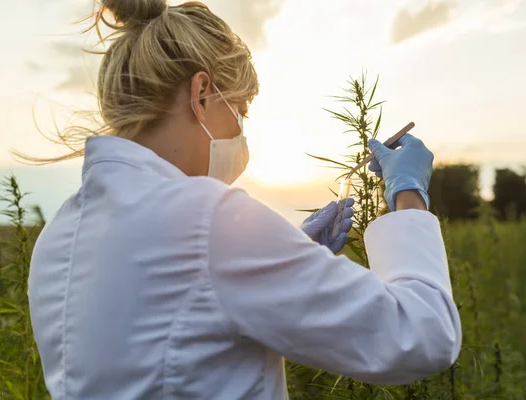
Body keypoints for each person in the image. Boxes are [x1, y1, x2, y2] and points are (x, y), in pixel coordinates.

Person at [25, 1, 462, 399]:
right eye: (240, 110)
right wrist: (409, 194)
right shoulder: (206, 219)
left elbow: (185, 328)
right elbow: (421, 335)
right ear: (201, 94)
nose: (241, 132)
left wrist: (287, 258)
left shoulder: (57, 238)